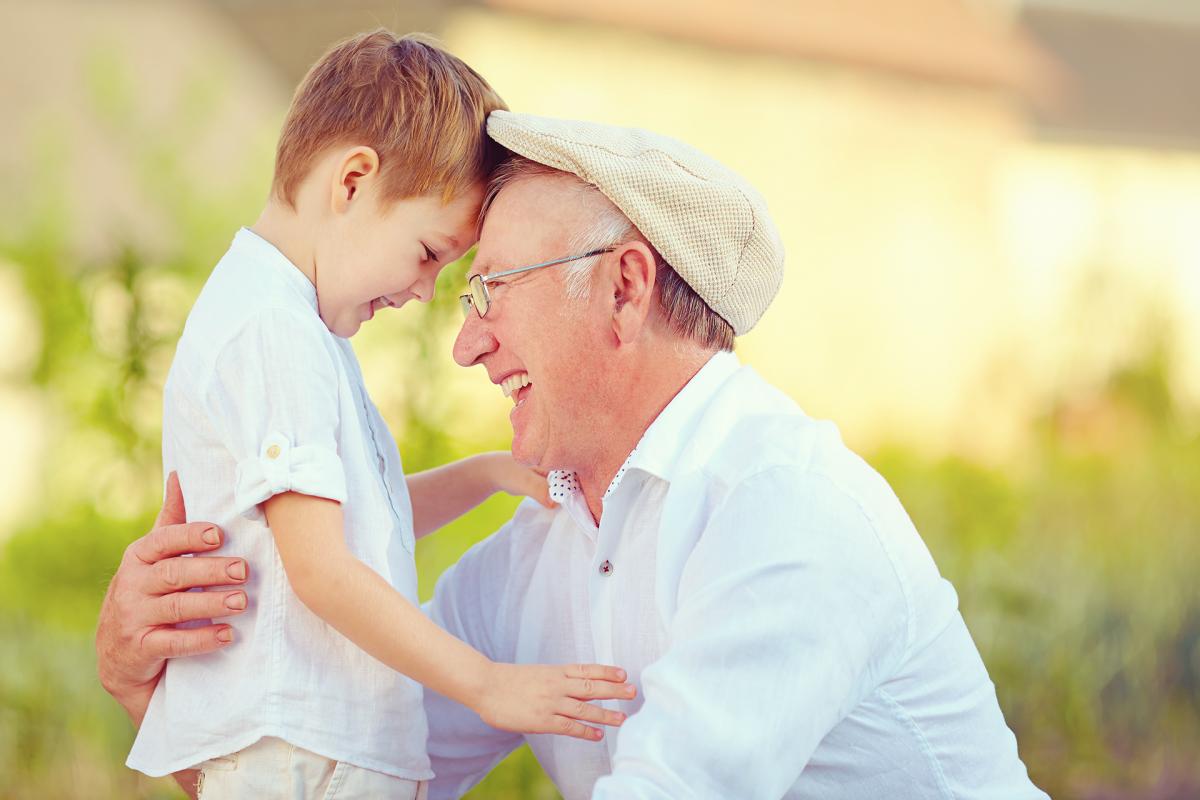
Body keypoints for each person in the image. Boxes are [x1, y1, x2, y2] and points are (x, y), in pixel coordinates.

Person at [99, 110, 1050, 799]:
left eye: (491, 290)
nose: (465, 344)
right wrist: (149, 687)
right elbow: (350, 772)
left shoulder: (786, 512)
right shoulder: (542, 548)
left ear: (624, 290)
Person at [122, 36, 633, 799]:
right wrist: (488, 685)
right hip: (304, 757)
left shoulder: (294, 324)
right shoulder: (273, 331)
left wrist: (487, 474)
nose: (424, 291)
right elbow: (322, 569)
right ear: (354, 182)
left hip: (315, 754)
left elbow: (359, 525)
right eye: (427, 253)